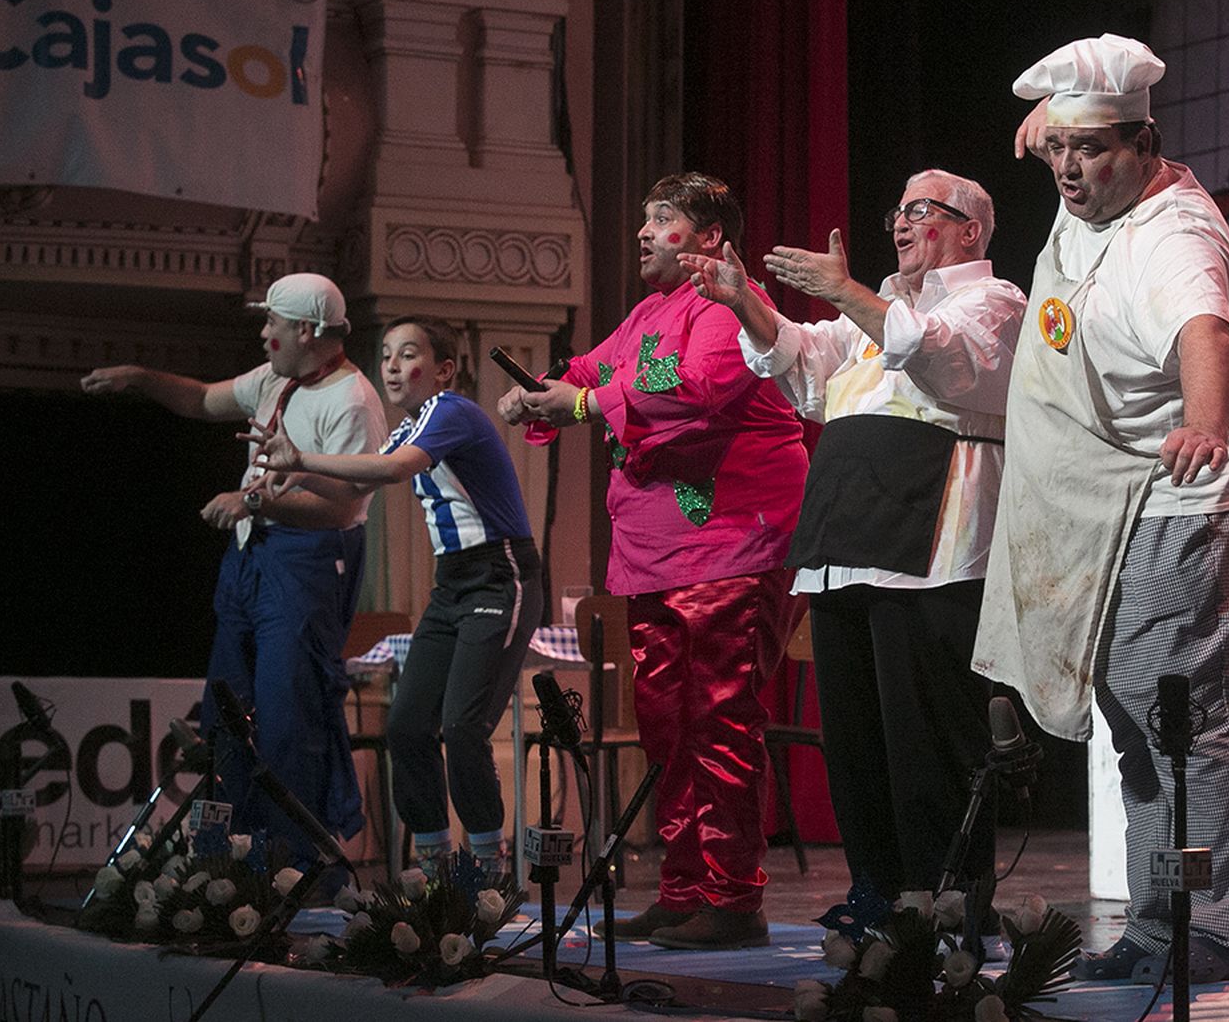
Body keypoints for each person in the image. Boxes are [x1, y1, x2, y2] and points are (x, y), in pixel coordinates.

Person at [973, 34, 1229, 985]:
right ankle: (1157, 919)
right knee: (1136, 714)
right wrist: (1052, 119)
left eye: (1091, 149)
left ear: (1145, 145)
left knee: (1183, 717)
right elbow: (1059, 132)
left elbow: (1205, 331)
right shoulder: (1091, 183)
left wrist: (1204, 421)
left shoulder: (1171, 235)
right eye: (1058, 147)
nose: (1068, 168)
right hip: (1119, 507)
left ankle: (1206, 927)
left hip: (1180, 501)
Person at [678, 170, 1027, 912]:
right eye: (896, 208)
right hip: (843, 540)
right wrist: (744, 302)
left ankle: (947, 900)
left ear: (970, 229)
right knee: (856, 741)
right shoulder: (878, 310)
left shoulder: (993, 302)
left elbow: (944, 360)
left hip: (929, 547)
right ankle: (876, 893)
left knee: (927, 734)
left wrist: (846, 293)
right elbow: (805, 364)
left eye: (920, 210)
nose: (899, 222)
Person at [496, 172, 808, 950]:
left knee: (719, 721)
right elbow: (591, 371)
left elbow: (696, 387)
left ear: (710, 237)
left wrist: (582, 403)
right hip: (657, 555)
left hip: (730, 546)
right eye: (643, 216)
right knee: (669, 728)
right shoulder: (648, 313)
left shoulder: (733, 306)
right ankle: (684, 889)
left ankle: (733, 897)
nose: (643, 230)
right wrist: (540, 391)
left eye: (662, 217)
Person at [80, 273, 385, 865]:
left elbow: (344, 507)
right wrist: (139, 377)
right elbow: (201, 399)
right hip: (254, 557)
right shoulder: (275, 377)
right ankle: (224, 862)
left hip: (307, 563)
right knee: (227, 710)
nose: (265, 332)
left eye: (273, 322)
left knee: (288, 717)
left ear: (306, 330)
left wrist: (253, 500)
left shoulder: (351, 400)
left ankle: (291, 867)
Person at [244, 316, 542, 879]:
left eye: (408, 355)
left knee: (462, 727)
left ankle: (488, 868)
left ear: (444, 370)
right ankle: (434, 865)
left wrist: (302, 459)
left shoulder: (450, 412)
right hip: (453, 584)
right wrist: (292, 477)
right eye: (385, 356)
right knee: (407, 726)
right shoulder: (410, 427)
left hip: (500, 575)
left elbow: (392, 469)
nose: (392, 368)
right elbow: (355, 485)